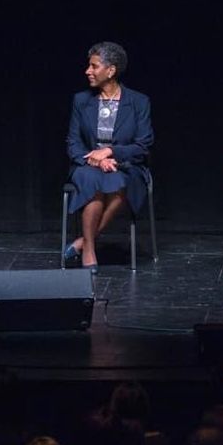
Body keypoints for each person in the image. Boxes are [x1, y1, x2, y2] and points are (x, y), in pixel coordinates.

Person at [64, 42, 153, 273]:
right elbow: (73, 141)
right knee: (92, 182)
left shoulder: (138, 102)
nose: (88, 71)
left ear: (111, 70)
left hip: (125, 166)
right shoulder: (81, 100)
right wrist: (95, 159)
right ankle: (89, 249)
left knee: (119, 183)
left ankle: (83, 242)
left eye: (94, 66)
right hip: (88, 164)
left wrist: (111, 152)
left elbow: (143, 145)